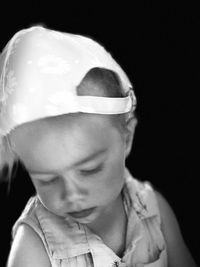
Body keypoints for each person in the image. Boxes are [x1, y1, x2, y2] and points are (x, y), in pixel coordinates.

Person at [0, 25, 197, 267]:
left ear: (127, 138)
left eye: (90, 169)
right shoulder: (33, 247)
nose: (71, 195)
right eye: (47, 179)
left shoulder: (153, 211)